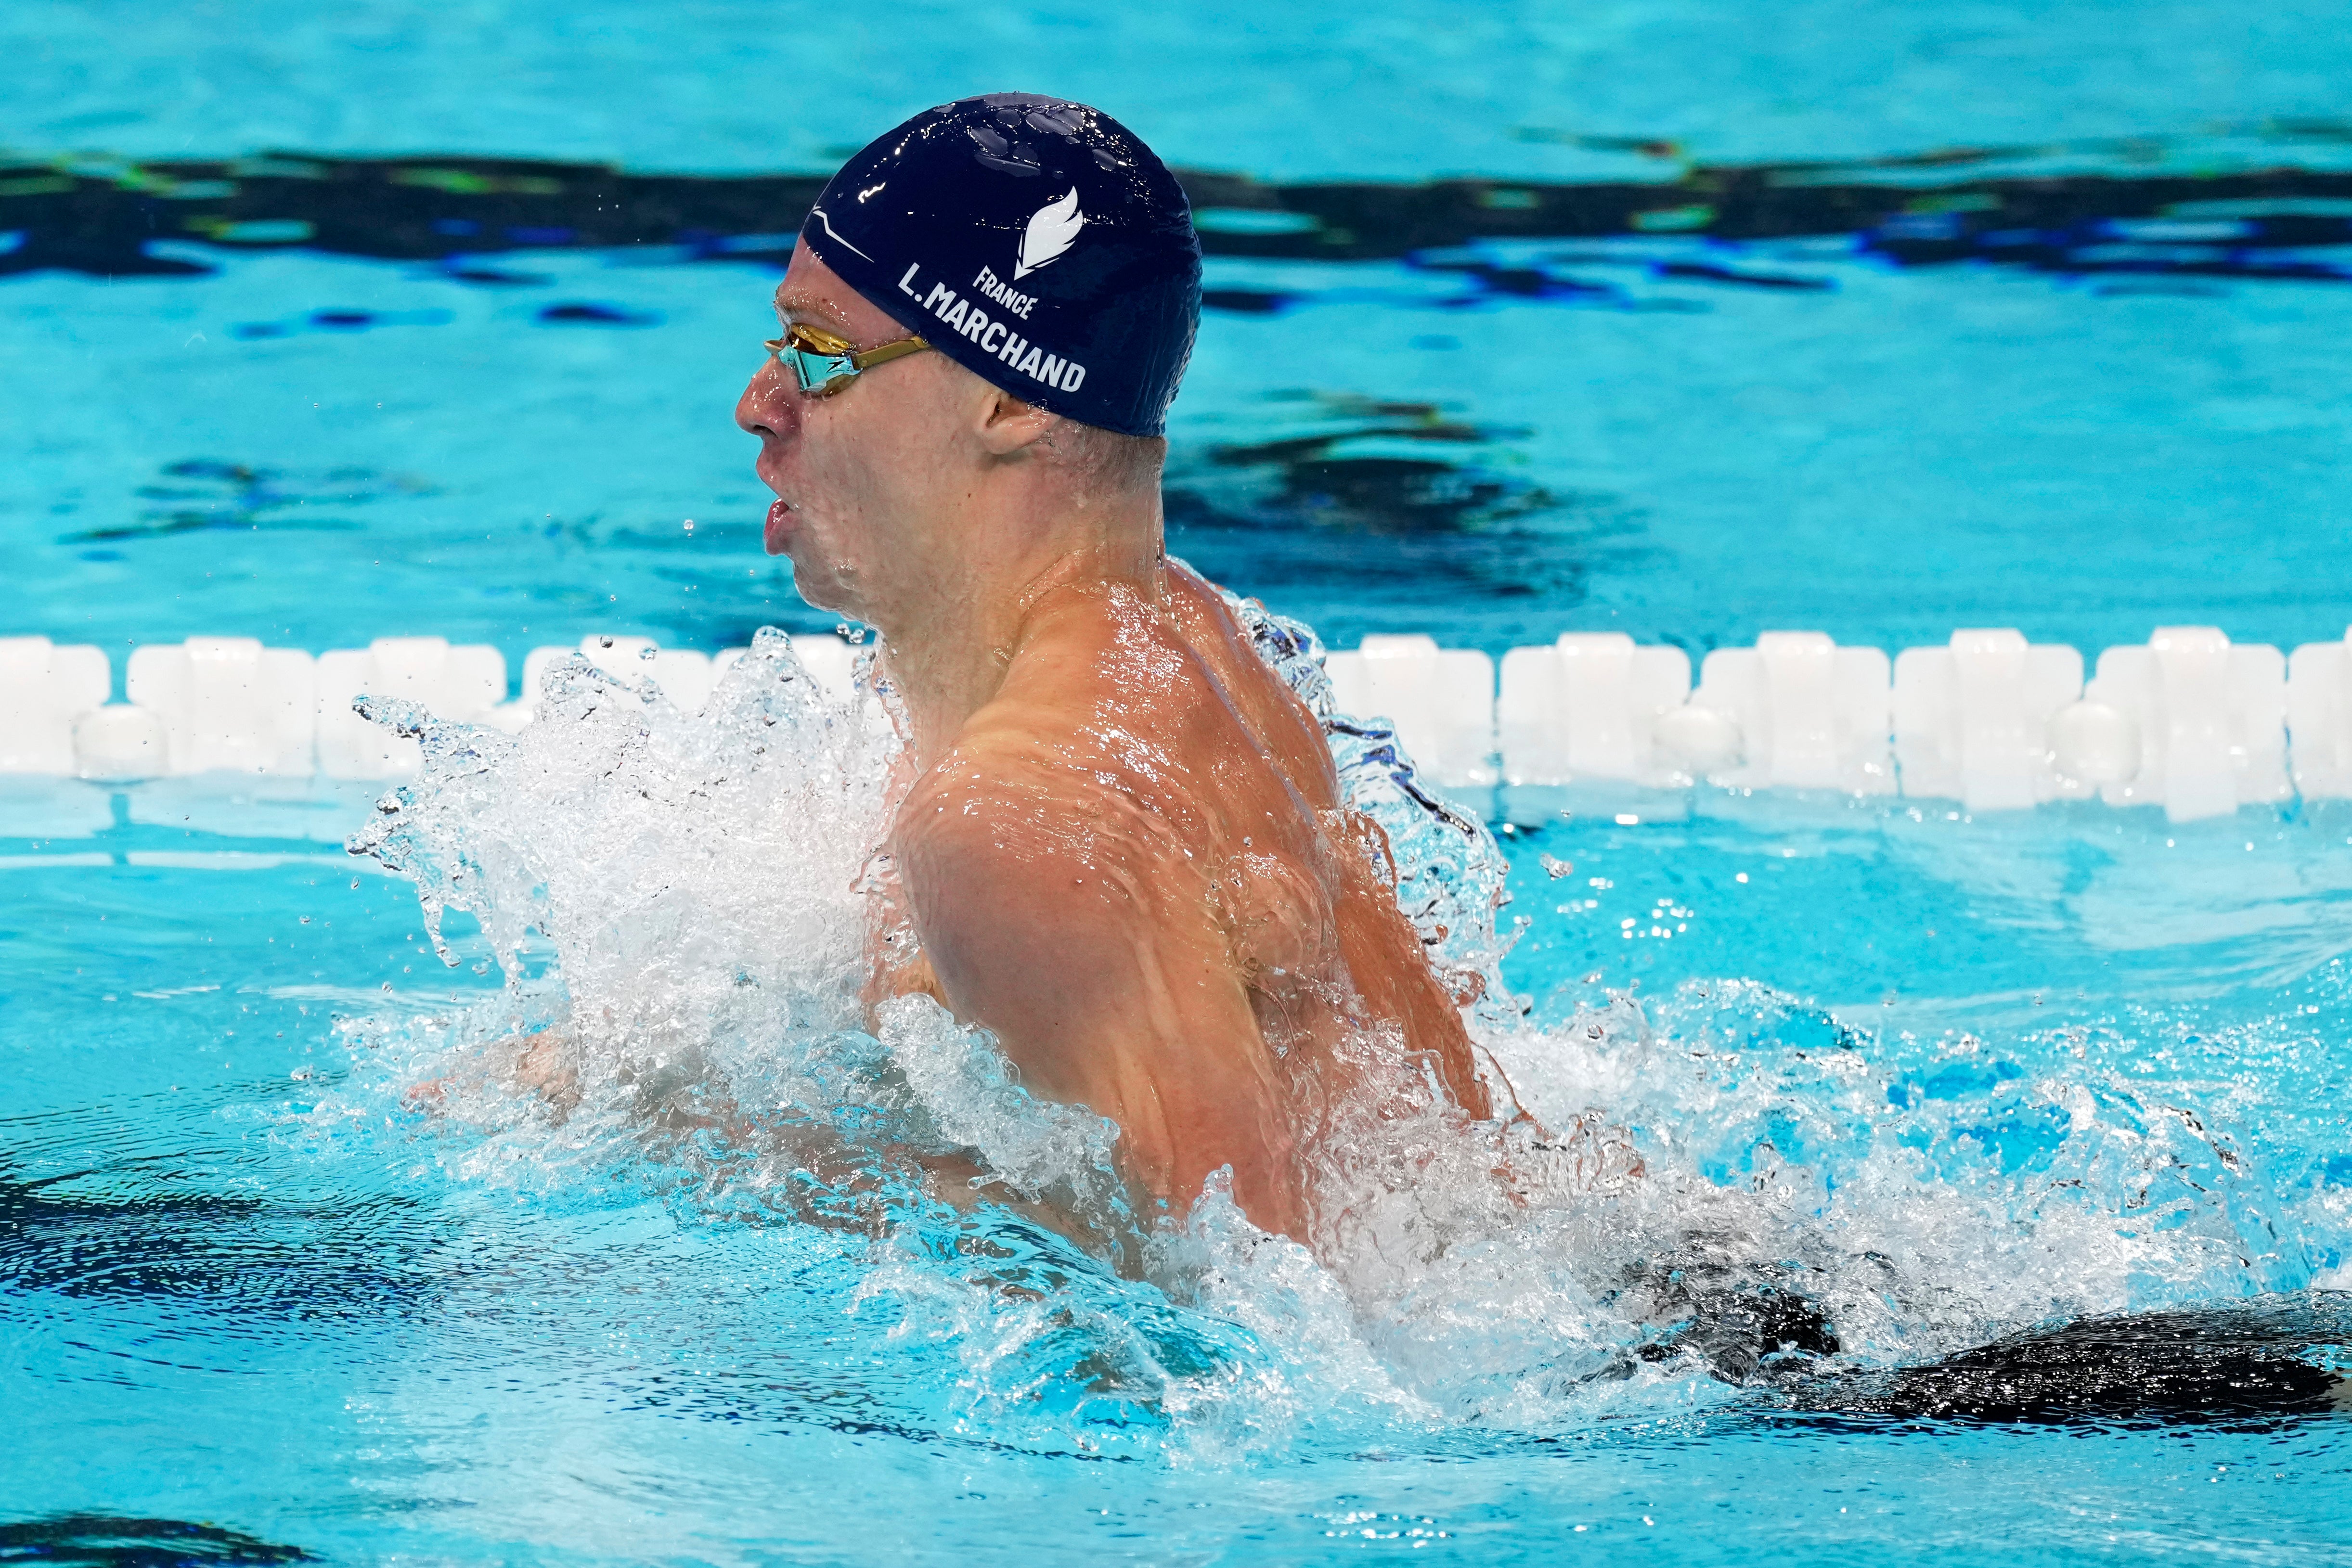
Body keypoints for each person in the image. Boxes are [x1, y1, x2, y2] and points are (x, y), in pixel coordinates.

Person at [732, 94, 1507, 1244]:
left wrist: (752, 1168)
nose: (759, 407)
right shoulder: (1176, 635)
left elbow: (1251, 1304)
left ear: (1008, 401)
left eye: (817, 356)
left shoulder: (1011, 821)